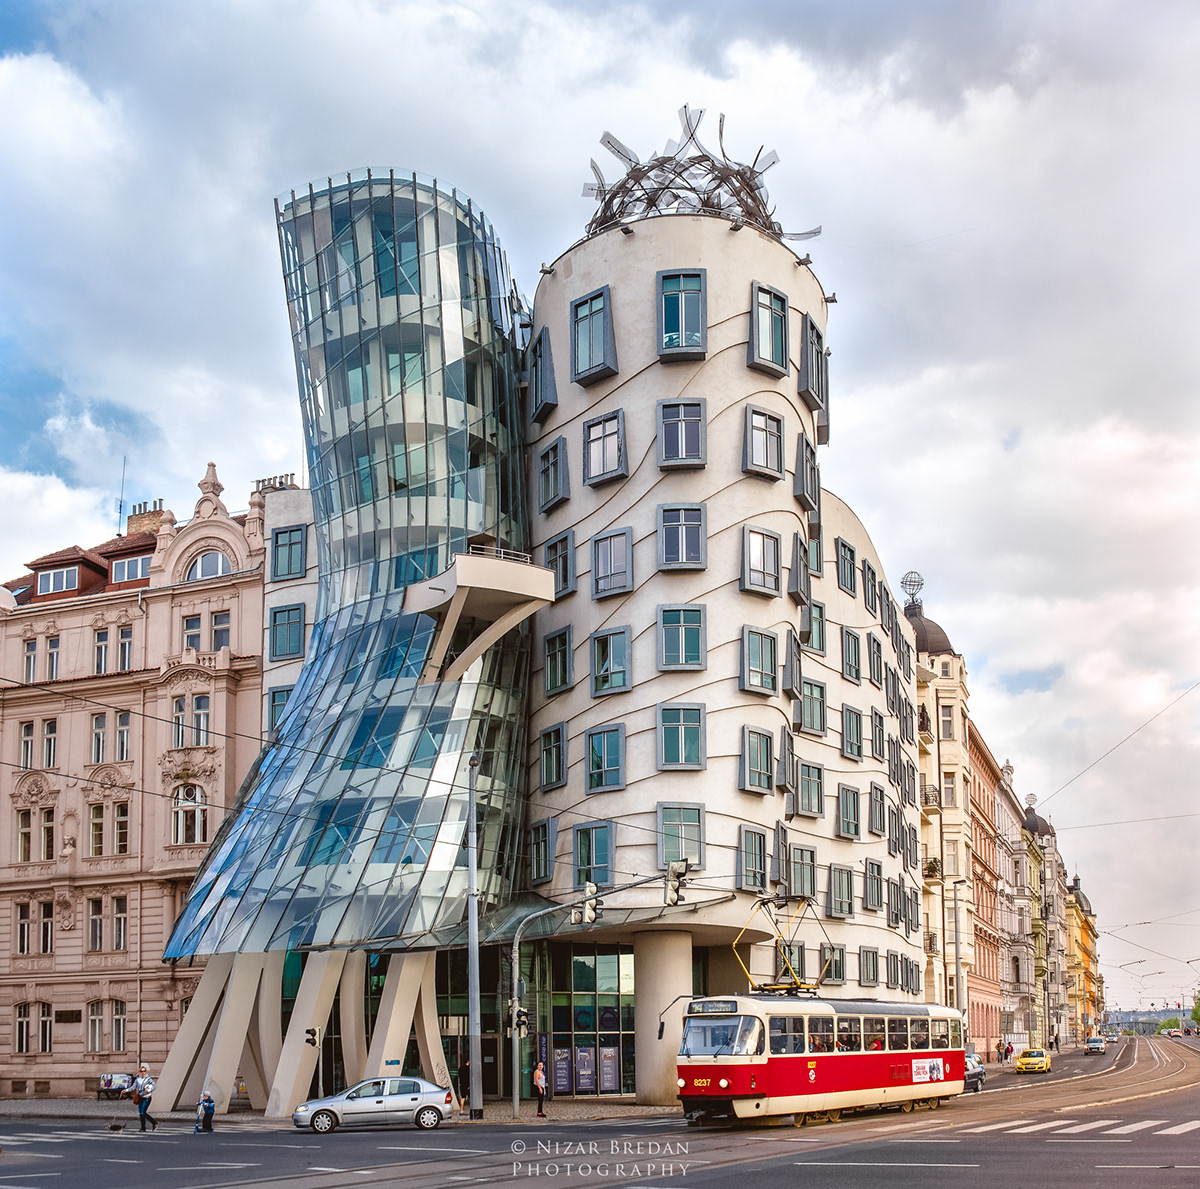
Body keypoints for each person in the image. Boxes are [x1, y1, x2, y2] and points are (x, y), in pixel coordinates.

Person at [121, 1064, 158, 1131]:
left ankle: (154, 1122)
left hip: (147, 1097)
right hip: (140, 1097)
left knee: (143, 1112)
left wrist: (149, 1090)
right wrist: (126, 1090)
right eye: (141, 1071)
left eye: (144, 1071)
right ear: (140, 1072)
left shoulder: (148, 1079)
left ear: (146, 1071)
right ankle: (143, 1128)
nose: (143, 1072)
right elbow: (133, 1087)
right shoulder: (138, 1079)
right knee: (140, 1113)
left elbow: (154, 1086)